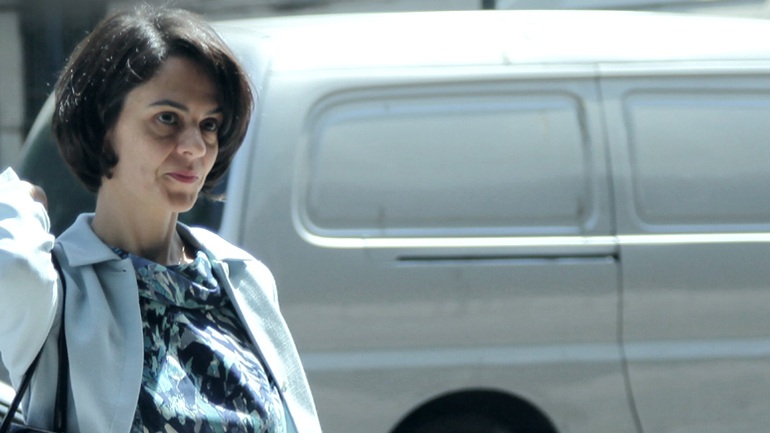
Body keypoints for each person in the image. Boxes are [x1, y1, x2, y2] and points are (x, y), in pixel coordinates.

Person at [0, 4, 322, 433]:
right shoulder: (59, 290)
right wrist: (19, 198)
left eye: (209, 124)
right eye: (167, 119)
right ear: (102, 128)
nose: (195, 146)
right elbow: (13, 269)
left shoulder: (240, 276)